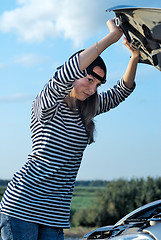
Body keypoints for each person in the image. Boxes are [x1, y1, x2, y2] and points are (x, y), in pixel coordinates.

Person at [0, 19, 139, 240]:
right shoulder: (47, 104)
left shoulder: (88, 109)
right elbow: (64, 74)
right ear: (75, 73)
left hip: (54, 215)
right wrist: (112, 38)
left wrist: (134, 58)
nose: (93, 89)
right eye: (90, 79)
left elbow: (121, 92)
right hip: (22, 207)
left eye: (98, 84)